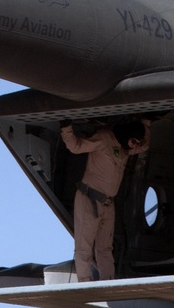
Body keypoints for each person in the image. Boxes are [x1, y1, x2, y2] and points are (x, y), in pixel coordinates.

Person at [60, 117, 150, 281]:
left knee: (105, 247)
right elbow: (76, 146)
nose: (135, 145)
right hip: (89, 199)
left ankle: (107, 281)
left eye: (137, 142)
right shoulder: (103, 138)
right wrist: (66, 128)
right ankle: (84, 282)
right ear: (127, 136)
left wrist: (147, 123)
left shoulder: (125, 148)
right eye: (134, 141)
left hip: (108, 203)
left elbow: (144, 146)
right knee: (84, 245)